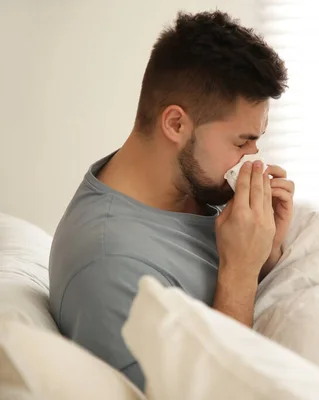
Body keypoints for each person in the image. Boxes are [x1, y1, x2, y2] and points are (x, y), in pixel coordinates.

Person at [48, 10, 292, 390]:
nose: (253, 157)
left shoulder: (196, 188)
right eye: (241, 141)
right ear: (176, 124)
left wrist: (268, 254)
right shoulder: (110, 266)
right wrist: (240, 273)